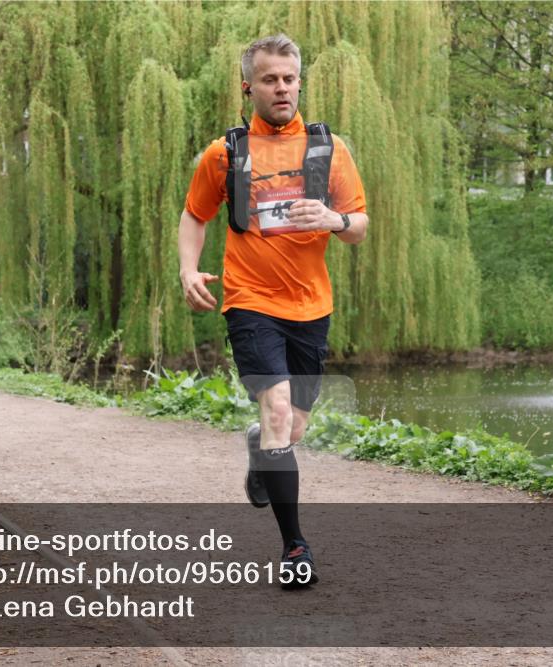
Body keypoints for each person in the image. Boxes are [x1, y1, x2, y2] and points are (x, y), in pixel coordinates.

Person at [178, 33, 368, 589]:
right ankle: (295, 548)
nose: (281, 87)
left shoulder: (328, 149)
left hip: (312, 306)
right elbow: (195, 215)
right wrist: (189, 270)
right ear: (249, 86)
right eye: (269, 79)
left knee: (293, 426)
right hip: (250, 301)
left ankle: (261, 451)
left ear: (299, 82)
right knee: (279, 411)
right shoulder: (226, 153)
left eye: (289, 78)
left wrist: (332, 220)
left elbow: (358, 225)